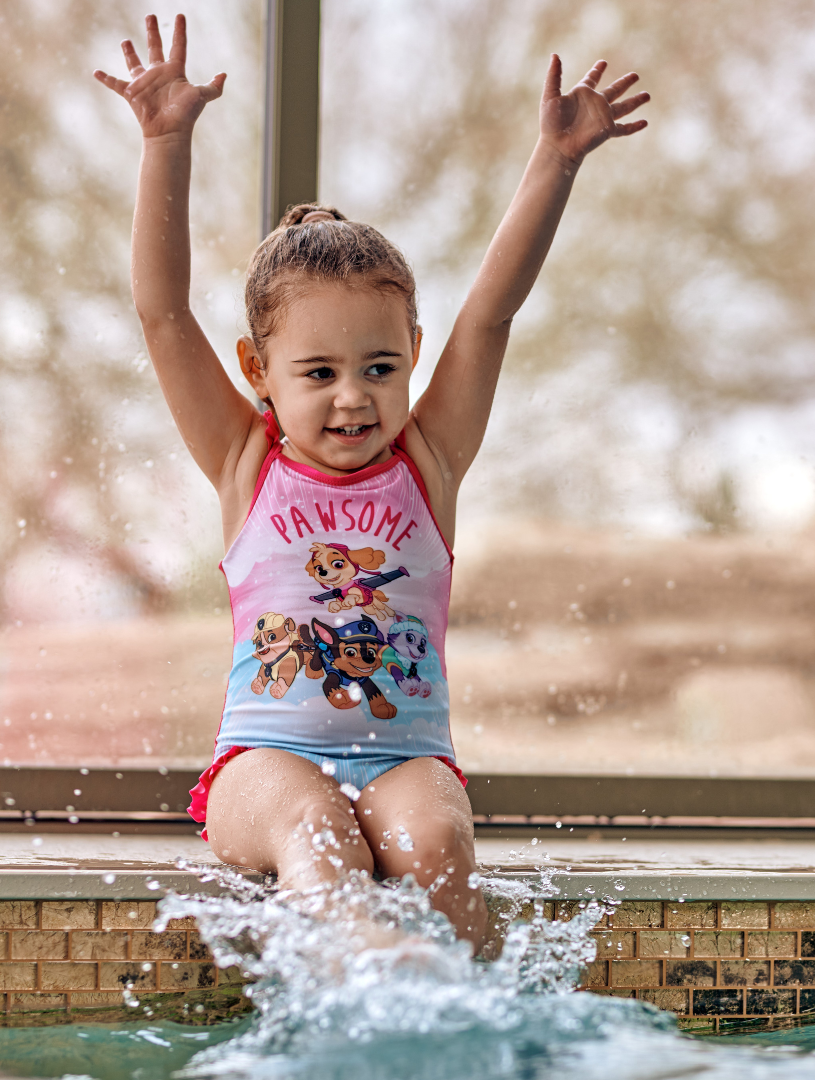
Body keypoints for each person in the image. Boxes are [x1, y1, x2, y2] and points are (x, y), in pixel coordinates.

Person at [95, 13, 648, 953]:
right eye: (319, 373)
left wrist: (556, 162)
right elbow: (160, 315)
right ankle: (358, 981)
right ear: (259, 371)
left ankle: (450, 1021)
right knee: (317, 840)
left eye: (381, 367)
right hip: (262, 766)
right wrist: (166, 142)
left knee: (435, 843)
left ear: (413, 360)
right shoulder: (246, 462)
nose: (353, 397)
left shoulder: (427, 466)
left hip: (406, 757)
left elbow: (490, 318)